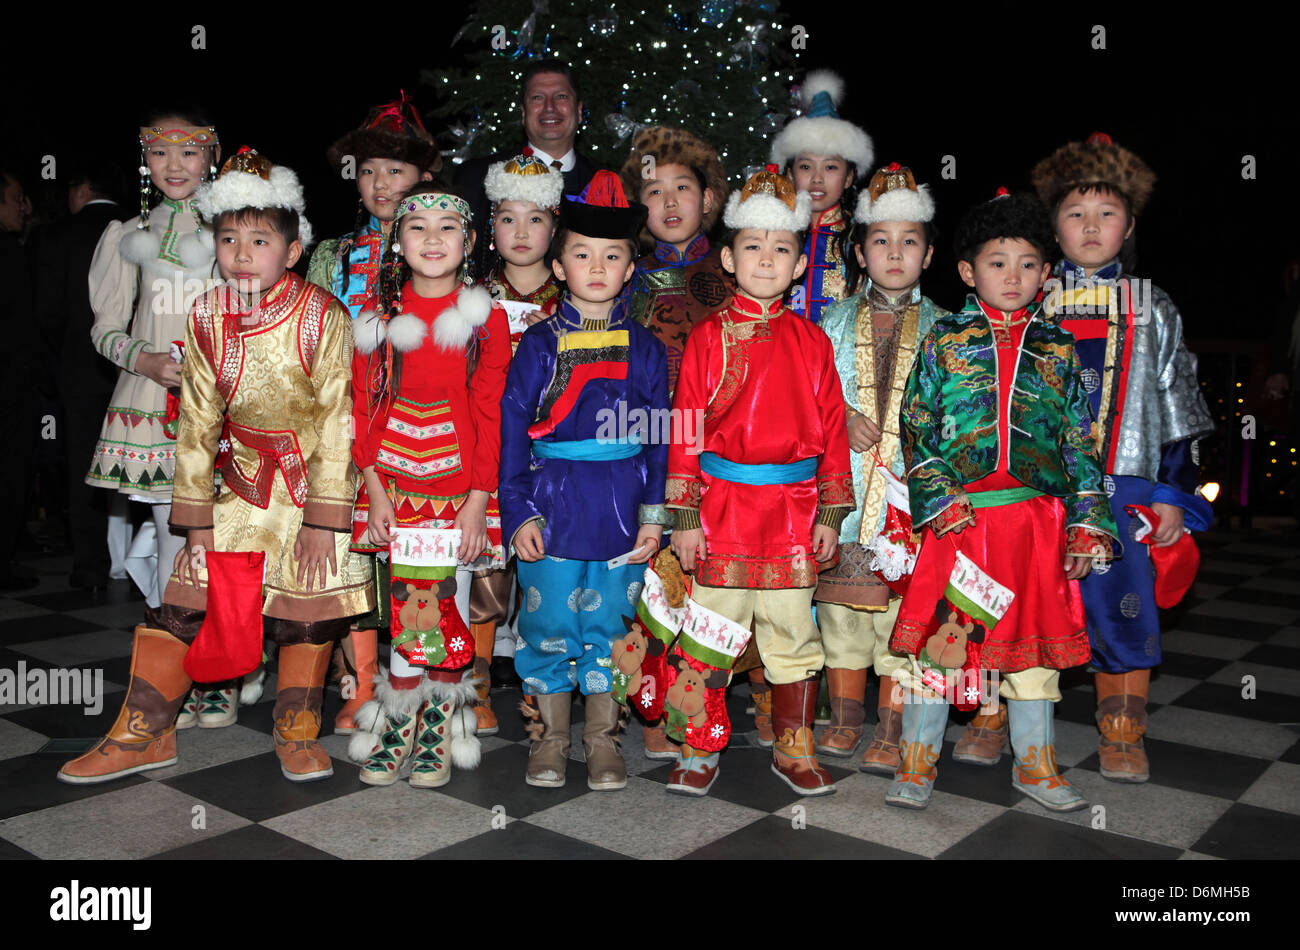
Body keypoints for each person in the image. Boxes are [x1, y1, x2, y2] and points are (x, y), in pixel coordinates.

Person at [60, 148, 373, 785]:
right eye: (228, 238)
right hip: (239, 485)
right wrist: (196, 525)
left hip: (312, 489)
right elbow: (198, 426)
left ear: (290, 252)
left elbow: (341, 421)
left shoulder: (323, 316)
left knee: (304, 614)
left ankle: (296, 731)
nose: (240, 253)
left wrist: (323, 520)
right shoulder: (207, 314)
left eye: (259, 239)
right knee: (180, 601)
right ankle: (144, 733)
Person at [886, 189, 1117, 812]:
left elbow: (1078, 440)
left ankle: (1036, 767)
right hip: (960, 525)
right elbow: (916, 426)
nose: (1011, 276)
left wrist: (1086, 525)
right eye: (997, 262)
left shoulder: (1059, 350)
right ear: (967, 271)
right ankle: (917, 761)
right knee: (943, 648)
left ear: (1046, 274)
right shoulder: (944, 342)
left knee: (1033, 657)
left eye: (1027, 263)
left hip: (1034, 524)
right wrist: (939, 500)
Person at [1029, 133, 1215, 782]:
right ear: (1052, 225)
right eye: (1075, 212)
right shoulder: (1027, 302)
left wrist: (1171, 494)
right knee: (1027, 601)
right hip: (1038, 490)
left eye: (1106, 213)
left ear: (1129, 225)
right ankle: (1010, 721)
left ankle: (1122, 727)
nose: (1090, 226)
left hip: (1125, 489)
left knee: (1124, 604)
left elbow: (1180, 407)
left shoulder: (1153, 308)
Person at [667, 167, 854, 796]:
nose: (767, 259)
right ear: (727, 257)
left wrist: (830, 515)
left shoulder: (813, 341)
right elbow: (686, 430)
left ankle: (793, 745)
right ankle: (698, 743)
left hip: (793, 512)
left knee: (792, 629)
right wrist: (686, 519)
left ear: (801, 264)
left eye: (782, 248)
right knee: (711, 627)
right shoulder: (705, 338)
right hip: (721, 508)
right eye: (753, 246)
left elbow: (832, 432)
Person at [499, 170, 669, 790]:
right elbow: (513, 433)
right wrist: (517, 511)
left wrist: (656, 517)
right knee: (546, 626)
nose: (596, 267)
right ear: (560, 262)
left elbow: (659, 438)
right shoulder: (537, 345)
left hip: (623, 508)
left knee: (610, 628)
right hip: (552, 504)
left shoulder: (647, 349)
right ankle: (548, 740)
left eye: (612, 256)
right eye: (581, 253)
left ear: (629, 269)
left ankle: (602, 739)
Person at [345, 182, 510, 788]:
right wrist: (375, 488)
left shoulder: (483, 317)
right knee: (407, 611)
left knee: (449, 610)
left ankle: (439, 725)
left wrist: (477, 500)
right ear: (397, 240)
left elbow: (491, 410)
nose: (432, 239)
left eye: (447, 227)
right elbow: (363, 407)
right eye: (418, 227)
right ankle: (397, 721)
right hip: (394, 486)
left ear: (468, 242)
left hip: (456, 492)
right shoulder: (380, 321)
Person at [306, 92, 441, 736]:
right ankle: (358, 682)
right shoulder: (332, 256)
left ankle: (432, 677)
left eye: (395, 169)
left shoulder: (445, 253)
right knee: (352, 556)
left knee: (421, 559)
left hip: (426, 433)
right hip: (347, 426)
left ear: (422, 177)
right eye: (367, 169)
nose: (381, 182)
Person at [814, 163, 948, 772]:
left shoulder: (950, 329)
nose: (895, 253)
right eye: (880, 241)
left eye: (910, 241)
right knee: (841, 617)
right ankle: (844, 720)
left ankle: (892, 728)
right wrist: (841, 415)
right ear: (861, 253)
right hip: (842, 495)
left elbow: (962, 413)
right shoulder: (831, 322)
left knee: (904, 620)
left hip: (911, 504)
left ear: (928, 252)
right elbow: (807, 394)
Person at [614, 125, 739, 758]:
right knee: (648, 576)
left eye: (682, 189)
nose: (668, 203)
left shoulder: (736, 271)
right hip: (636, 445)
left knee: (703, 575)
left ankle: (704, 695)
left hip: (712, 448)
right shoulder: (621, 274)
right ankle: (647, 703)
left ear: (709, 199)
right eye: (653, 189)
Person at [472, 154, 566, 718]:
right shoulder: (469, 294)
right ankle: (475, 685)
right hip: (485, 449)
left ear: (554, 226)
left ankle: (542, 690)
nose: (522, 232)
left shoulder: (577, 295)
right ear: (491, 228)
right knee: (485, 571)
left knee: (544, 573)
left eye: (536, 219)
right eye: (509, 218)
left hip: (552, 458)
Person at [32, 160, 128, 591]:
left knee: (83, 469)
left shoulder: (55, 235)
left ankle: (90, 565)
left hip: (80, 368)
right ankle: (141, 562)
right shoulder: (136, 228)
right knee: (144, 459)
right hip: (135, 366)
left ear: (82, 188)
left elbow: (47, 313)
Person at [455, 59, 601, 280]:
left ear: (579, 111)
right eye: (537, 98)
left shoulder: (604, 183)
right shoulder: (476, 177)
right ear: (523, 113)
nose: (549, 107)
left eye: (561, 96)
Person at [769, 71, 873, 325]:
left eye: (830, 167)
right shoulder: (770, 235)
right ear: (790, 175)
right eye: (806, 167)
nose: (817, 178)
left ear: (849, 178)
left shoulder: (863, 240)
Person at [0, 169, 38, 590]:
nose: (23, 207)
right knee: (10, 473)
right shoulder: (9, 253)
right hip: (10, 386)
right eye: (16, 198)